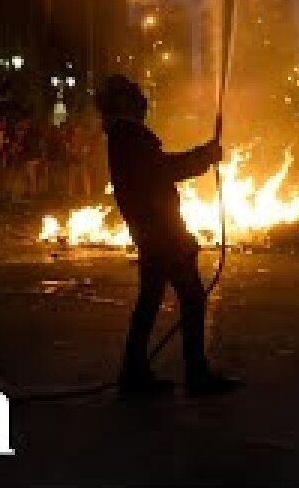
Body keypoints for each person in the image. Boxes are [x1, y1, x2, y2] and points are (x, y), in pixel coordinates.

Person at [96, 74, 239, 397]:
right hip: (160, 230)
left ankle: (133, 373)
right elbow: (163, 170)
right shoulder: (130, 136)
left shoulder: (122, 137)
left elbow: (157, 169)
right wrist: (204, 156)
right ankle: (196, 374)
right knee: (192, 298)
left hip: (150, 230)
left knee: (149, 301)